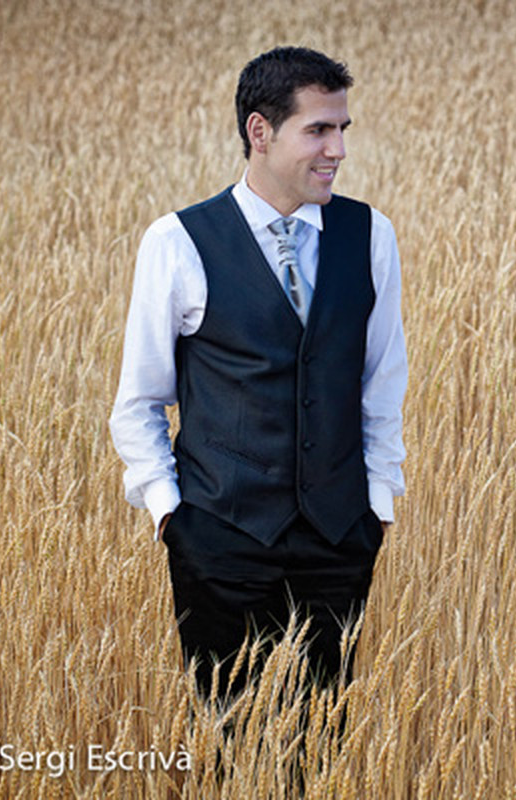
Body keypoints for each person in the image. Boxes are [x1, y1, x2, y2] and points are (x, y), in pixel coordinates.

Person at [109, 46, 407, 696]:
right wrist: (171, 516)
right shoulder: (177, 242)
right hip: (220, 540)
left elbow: (381, 382)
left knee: (321, 736)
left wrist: (377, 504)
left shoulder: (370, 234)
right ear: (260, 131)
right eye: (318, 130)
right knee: (229, 736)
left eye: (342, 129)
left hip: (338, 541)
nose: (337, 150)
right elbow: (140, 399)